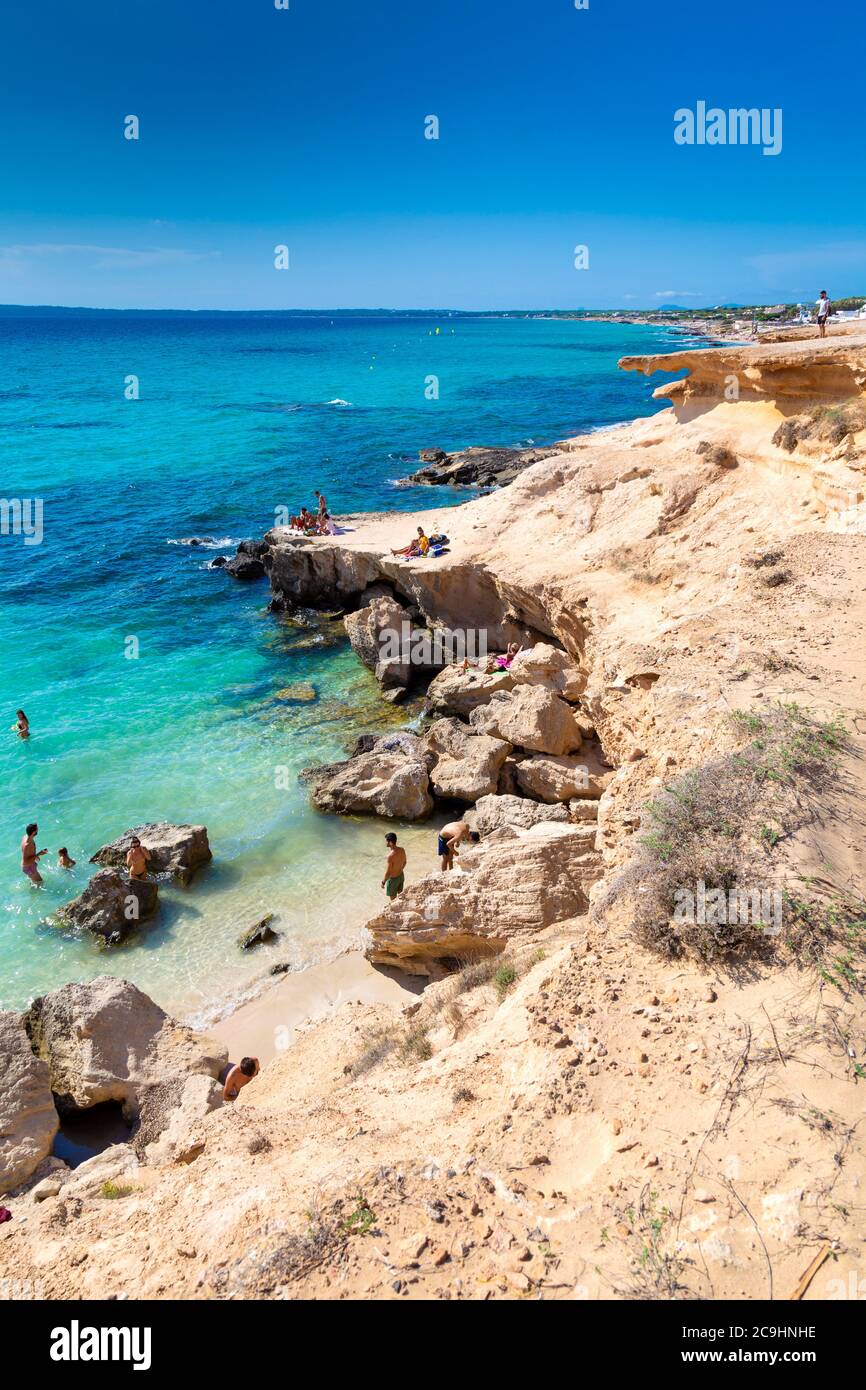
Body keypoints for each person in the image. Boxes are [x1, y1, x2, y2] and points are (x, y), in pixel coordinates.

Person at [381, 831, 407, 899]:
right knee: (401, 896)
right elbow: (404, 862)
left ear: (390, 842)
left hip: (393, 880)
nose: (385, 842)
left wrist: (383, 882)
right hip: (401, 876)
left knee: (393, 900)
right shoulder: (402, 850)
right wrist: (400, 870)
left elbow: (388, 872)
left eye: (386, 841)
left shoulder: (390, 856)